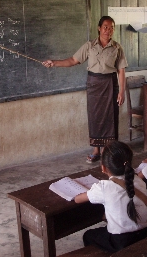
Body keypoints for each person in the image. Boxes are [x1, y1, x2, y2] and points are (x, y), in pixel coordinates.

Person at [42, 16, 128, 163]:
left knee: (110, 118)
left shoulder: (117, 47)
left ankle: (109, 151)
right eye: (105, 27)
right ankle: (96, 150)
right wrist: (54, 63)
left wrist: (121, 91)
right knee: (94, 117)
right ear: (99, 28)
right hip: (94, 84)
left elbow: (121, 71)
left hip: (110, 84)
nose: (108, 30)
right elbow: (72, 60)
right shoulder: (89, 46)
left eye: (111, 27)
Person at [74, 141, 147, 253]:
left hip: (121, 240)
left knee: (88, 235)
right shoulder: (139, 180)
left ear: (103, 168)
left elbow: (77, 199)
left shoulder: (104, 187)